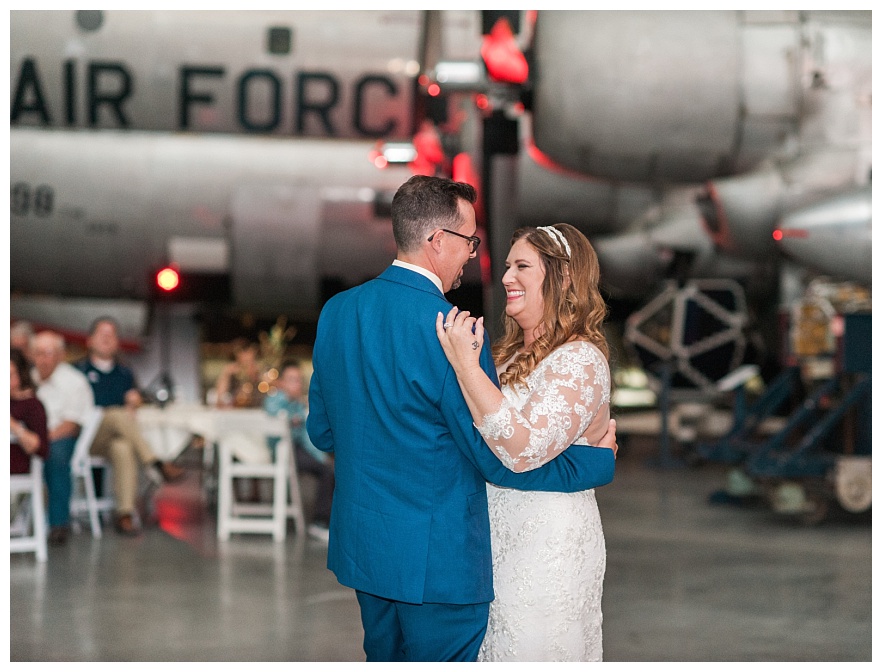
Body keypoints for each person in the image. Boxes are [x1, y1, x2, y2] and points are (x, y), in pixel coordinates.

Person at [306, 175, 618, 662]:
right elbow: (495, 460)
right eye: (470, 242)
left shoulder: (337, 311)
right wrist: (593, 465)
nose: (476, 257)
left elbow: (322, 430)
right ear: (438, 241)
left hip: (367, 551)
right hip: (439, 561)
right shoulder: (453, 331)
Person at [436, 223, 612, 661]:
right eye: (508, 266)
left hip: (547, 547)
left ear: (564, 276)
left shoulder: (580, 358)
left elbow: (521, 449)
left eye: (522, 266)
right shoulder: (503, 355)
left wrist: (465, 366)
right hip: (492, 540)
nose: (506, 277)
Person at [77, 317, 185, 536]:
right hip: (87, 436)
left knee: (123, 448)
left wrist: (135, 402)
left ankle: (124, 514)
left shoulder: (125, 373)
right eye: (102, 334)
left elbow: (134, 401)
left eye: (112, 334)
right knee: (116, 414)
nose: (107, 339)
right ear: (90, 340)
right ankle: (155, 462)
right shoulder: (78, 371)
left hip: (114, 437)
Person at [31, 331, 95, 544]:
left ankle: (58, 523)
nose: (43, 358)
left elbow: (71, 425)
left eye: (48, 353)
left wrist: (41, 440)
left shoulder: (74, 381)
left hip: (62, 437)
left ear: (61, 355)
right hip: (29, 437)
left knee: (55, 455)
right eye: (38, 353)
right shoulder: (28, 378)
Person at [263, 359, 335, 542]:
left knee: (328, 468)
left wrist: (321, 457)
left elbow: (305, 438)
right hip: (280, 451)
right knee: (327, 470)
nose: (296, 384)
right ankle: (320, 522)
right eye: (291, 379)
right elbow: (273, 413)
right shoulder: (275, 399)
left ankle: (323, 520)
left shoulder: (300, 405)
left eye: (298, 380)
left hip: (295, 449)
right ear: (281, 382)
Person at [11, 348, 50, 474]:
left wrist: (12, 424)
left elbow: (41, 448)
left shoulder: (31, 405)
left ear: (20, 376)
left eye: (10, 375)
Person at [214, 338, 265, 409]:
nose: (245, 357)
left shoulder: (261, 370)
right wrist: (226, 374)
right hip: (237, 411)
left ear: (253, 352)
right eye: (241, 353)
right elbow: (220, 396)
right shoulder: (231, 371)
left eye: (247, 352)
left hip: (259, 410)